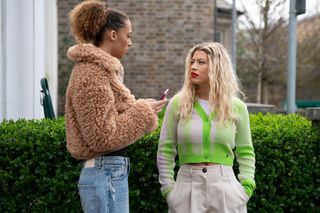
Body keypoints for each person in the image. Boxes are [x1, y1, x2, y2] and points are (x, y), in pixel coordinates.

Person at [65, 1, 166, 212]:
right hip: (104, 173)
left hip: (107, 173)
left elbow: (108, 119)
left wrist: (142, 106)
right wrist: (142, 112)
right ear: (112, 35)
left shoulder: (99, 71)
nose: (130, 42)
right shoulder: (92, 74)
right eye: (128, 35)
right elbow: (102, 136)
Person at [157, 42, 256, 213]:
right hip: (185, 188)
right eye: (192, 61)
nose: (193, 66)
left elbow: (246, 151)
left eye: (201, 62)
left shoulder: (236, 107)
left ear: (217, 67)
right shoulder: (178, 104)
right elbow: (165, 149)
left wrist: (245, 189)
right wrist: (169, 190)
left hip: (226, 188)